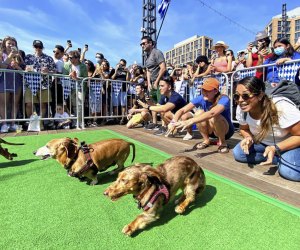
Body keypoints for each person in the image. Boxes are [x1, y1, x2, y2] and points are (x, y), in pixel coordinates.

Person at [233, 76, 300, 182]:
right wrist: (248, 138)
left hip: (291, 145)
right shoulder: (242, 109)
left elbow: (298, 135)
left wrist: (276, 148)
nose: (240, 100)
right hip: (264, 143)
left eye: (245, 96)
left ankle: (283, 159)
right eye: (237, 96)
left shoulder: (281, 106)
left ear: (260, 96)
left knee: (289, 173)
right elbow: (243, 128)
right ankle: (279, 159)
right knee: (239, 153)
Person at [171, 78, 234, 153]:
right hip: (211, 130)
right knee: (198, 113)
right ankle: (206, 140)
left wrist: (190, 121)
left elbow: (212, 113)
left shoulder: (224, 98)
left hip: (226, 131)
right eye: (203, 89)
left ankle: (223, 143)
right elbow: (182, 110)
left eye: (208, 90)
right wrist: (173, 122)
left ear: (216, 91)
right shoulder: (201, 98)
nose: (204, 92)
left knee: (215, 115)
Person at [24, 40, 56, 129]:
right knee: (29, 104)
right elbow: (24, 69)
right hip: (30, 85)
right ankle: (32, 123)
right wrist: (26, 70)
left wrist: (48, 71)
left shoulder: (49, 58)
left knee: (43, 105)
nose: (38, 48)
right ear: (33, 47)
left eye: (40, 47)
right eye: (36, 46)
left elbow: (54, 71)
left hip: (44, 85)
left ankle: (40, 123)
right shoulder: (28, 57)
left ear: (42, 48)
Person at [141, 36, 166, 130]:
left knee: (161, 104)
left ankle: (164, 125)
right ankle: (155, 123)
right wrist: (149, 83)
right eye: (141, 44)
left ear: (150, 43)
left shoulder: (157, 52)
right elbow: (148, 70)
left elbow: (163, 68)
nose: (142, 45)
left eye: (144, 43)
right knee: (152, 103)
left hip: (160, 82)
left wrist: (156, 82)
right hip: (152, 83)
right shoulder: (147, 56)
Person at [0, 36, 24, 132]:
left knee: (15, 103)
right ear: (4, 44)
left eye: (13, 44)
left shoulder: (18, 54)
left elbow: (24, 68)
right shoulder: (1, 54)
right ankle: (4, 124)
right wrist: (10, 57)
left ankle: (13, 124)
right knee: (3, 103)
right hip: (3, 81)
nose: (11, 45)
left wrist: (17, 66)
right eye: (9, 43)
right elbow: (1, 66)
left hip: (16, 80)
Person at [63, 50, 88, 127]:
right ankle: (75, 122)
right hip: (70, 88)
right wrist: (69, 75)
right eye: (69, 58)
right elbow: (63, 76)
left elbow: (85, 78)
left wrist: (77, 78)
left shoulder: (83, 66)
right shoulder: (66, 65)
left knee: (80, 105)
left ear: (77, 58)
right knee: (74, 106)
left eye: (71, 58)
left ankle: (79, 122)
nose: (70, 59)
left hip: (81, 88)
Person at [111, 59, 130, 125]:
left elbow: (127, 80)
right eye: (120, 64)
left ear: (125, 65)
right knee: (115, 104)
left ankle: (122, 118)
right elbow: (112, 78)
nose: (121, 66)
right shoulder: (114, 70)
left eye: (123, 65)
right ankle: (116, 118)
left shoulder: (126, 71)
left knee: (123, 104)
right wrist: (116, 71)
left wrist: (128, 72)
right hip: (115, 89)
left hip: (123, 89)